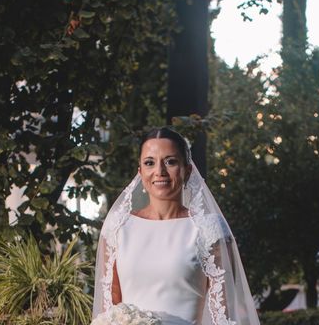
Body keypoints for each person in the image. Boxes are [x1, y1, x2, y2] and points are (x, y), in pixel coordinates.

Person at [93, 127, 260, 325]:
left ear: (187, 170)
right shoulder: (117, 228)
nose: (159, 172)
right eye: (149, 163)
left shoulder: (210, 230)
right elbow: (109, 308)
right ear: (140, 171)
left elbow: (223, 316)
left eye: (170, 162)